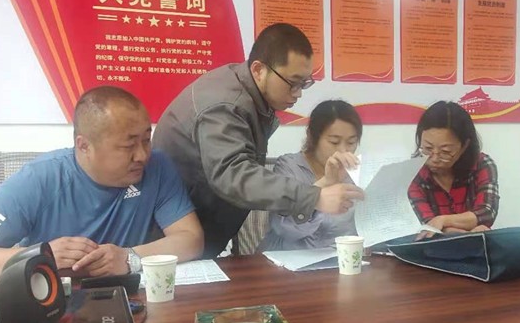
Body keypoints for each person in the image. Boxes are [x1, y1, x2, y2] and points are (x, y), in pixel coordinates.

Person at [0, 86, 204, 281]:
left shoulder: (157, 168)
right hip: (51, 303)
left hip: (128, 301)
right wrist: (41, 256)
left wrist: (129, 257)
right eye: (128, 146)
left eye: (146, 140)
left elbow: (191, 239)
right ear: (84, 145)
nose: (142, 155)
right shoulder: (38, 179)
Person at [153, 22, 364, 258]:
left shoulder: (249, 96)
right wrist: (314, 197)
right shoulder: (225, 105)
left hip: (199, 232)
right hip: (171, 234)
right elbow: (233, 174)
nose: (298, 93)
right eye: (292, 83)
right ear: (258, 70)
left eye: (304, 83)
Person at [260, 100, 362, 251]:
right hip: (288, 258)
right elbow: (285, 229)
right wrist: (325, 183)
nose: (343, 150)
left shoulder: (357, 173)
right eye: (334, 142)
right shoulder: (289, 167)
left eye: (351, 142)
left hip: (337, 259)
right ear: (312, 137)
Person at [408, 101, 499, 234]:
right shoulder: (412, 172)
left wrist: (443, 220)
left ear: (464, 146)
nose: (434, 158)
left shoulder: (482, 164)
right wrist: (468, 234)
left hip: (478, 244)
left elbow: (487, 212)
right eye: (427, 149)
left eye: (445, 151)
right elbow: (428, 225)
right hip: (435, 245)